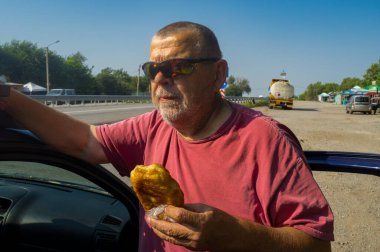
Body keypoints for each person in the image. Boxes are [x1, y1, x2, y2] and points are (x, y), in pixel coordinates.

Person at [0, 21, 334, 251]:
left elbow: (316, 244)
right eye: (153, 69)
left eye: (179, 68)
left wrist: (237, 236)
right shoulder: (151, 127)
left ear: (219, 73)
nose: (161, 80)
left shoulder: (265, 139)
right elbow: (84, 141)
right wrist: (8, 98)